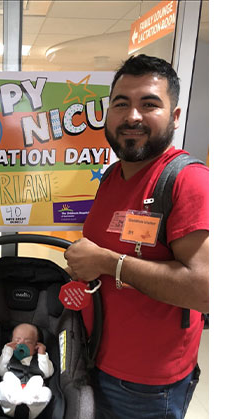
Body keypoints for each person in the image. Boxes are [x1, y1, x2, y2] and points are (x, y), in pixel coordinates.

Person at [63, 54, 209, 419]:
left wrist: (106, 263)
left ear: (175, 117)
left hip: (147, 384)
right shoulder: (113, 176)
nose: (132, 116)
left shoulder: (188, 180)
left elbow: (205, 289)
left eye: (149, 104)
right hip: (97, 357)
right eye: (121, 104)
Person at [0, 323, 54, 419]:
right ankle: (16, 399)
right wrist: (7, 351)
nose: (22, 343)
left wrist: (42, 354)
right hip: (10, 404)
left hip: (32, 406)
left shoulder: (39, 360)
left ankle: (26, 399)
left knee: (40, 384)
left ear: (36, 347)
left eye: (28, 342)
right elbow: (0, 370)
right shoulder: (9, 358)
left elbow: (48, 373)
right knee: (7, 379)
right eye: (17, 340)